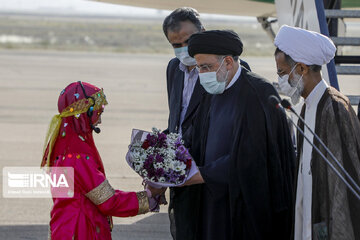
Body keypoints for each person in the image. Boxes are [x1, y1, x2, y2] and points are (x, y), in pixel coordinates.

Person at [179, 30, 295, 240]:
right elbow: (197, 137)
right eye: (198, 67)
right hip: (211, 198)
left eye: (207, 67)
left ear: (229, 62)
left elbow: (255, 156)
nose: (202, 73)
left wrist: (202, 174)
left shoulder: (258, 93)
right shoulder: (212, 90)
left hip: (245, 203)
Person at [162, 7, 251, 239]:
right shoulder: (174, 69)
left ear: (203, 32)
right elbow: (177, 120)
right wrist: (160, 165)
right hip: (183, 178)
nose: (183, 49)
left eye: (188, 40)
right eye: (176, 44)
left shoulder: (226, 69)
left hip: (213, 177)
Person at [41, 82, 165, 240]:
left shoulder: (61, 145)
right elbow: (108, 201)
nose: (99, 121)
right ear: (85, 114)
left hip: (64, 228)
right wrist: (149, 196)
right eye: (98, 114)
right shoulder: (77, 156)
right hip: (81, 230)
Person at [274, 25, 360, 240]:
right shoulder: (306, 106)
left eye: (283, 72)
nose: (281, 80)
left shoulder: (334, 108)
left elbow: (342, 187)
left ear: (301, 68)